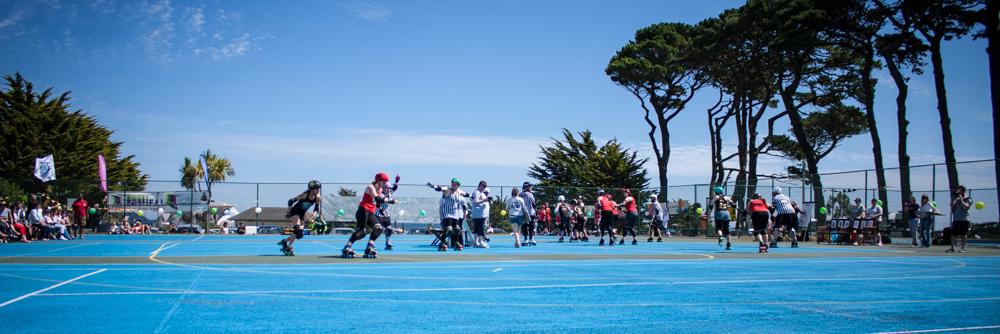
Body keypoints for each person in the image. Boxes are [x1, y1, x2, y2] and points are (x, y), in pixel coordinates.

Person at [342, 174, 390, 258]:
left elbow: (378, 204)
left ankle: (369, 247)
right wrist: (388, 200)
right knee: (361, 233)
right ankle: (347, 247)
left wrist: (382, 209)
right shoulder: (371, 187)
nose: (385, 183)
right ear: (378, 180)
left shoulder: (380, 189)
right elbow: (377, 198)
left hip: (371, 213)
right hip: (363, 210)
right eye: (384, 181)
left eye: (386, 182)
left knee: (378, 229)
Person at [280, 180, 322, 256]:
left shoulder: (318, 197)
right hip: (295, 211)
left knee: (299, 234)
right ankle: (289, 247)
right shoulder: (305, 195)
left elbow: (316, 208)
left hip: (302, 214)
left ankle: (285, 241)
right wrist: (288, 212)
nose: (318, 190)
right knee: (297, 229)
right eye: (317, 189)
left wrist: (314, 215)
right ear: (311, 189)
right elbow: (291, 201)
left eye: (319, 189)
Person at [428, 178, 469, 251]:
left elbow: (466, 194)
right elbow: (439, 188)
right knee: (449, 229)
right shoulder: (447, 189)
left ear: (458, 185)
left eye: (455, 184)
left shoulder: (459, 191)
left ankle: (456, 243)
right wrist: (432, 186)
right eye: (452, 183)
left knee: (457, 229)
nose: (453, 185)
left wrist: (473, 197)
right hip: (447, 213)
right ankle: (442, 242)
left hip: (455, 214)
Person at [377, 175, 401, 251]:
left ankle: (388, 243)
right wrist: (393, 201)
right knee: (378, 230)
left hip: (387, 215)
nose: (389, 190)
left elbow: (395, 188)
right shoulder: (380, 194)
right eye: (387, 188)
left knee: (389, 229)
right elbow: (381, 201)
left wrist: (396, 181)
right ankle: (371, 243)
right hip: (379, 214)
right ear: (384, 188)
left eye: (389, 188)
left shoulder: (389, 193)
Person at [947, 186, 972, 253]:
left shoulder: (968, 199)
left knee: (963, 234)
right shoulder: (957, 198)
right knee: (953, 234)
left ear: (963, 191)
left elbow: (965, 207)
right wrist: (954, 197)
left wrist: (961, 199)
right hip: (956, 219)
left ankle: (963, 248)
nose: (959, 192)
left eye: (960, 191)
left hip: (964, 219)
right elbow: (951, 205)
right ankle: (952, 248)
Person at [708, 186, 733, 251]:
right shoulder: (726, 197)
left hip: (720, 213)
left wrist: (708, 213)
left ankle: (720, 237)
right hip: (727, 213)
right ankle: (728, 244)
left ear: (716, 192)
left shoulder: (716, 197)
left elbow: (711, 205)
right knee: (727, 230)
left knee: (719, 228)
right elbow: (733, 204)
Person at [471, 180, 491, 248]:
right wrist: (484, 200)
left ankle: (475, 243)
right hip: (479, 215)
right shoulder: (477, 192)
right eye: (483, 186)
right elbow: (476, 202)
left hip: (480, 214)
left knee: (477, 229)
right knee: (480, 229)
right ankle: (481, 242)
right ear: (479, 185)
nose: (483, 188)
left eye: (485, 187)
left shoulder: (481, 193)